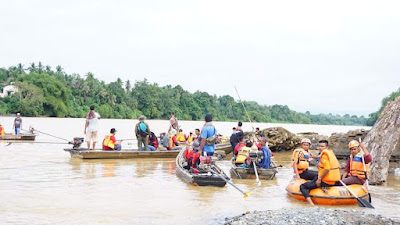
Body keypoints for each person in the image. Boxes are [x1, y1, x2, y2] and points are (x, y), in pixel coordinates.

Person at [300, 140, 341, 206]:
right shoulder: (330, 153)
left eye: (322, 146)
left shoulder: (324, 155)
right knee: (315, 177)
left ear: (326, 147)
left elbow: (327, 169)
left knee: (303, 186)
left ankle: (311, 204)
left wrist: (319, 179)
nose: (320, 148)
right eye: (319, 146)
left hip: (326, 181)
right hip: (333, 180)